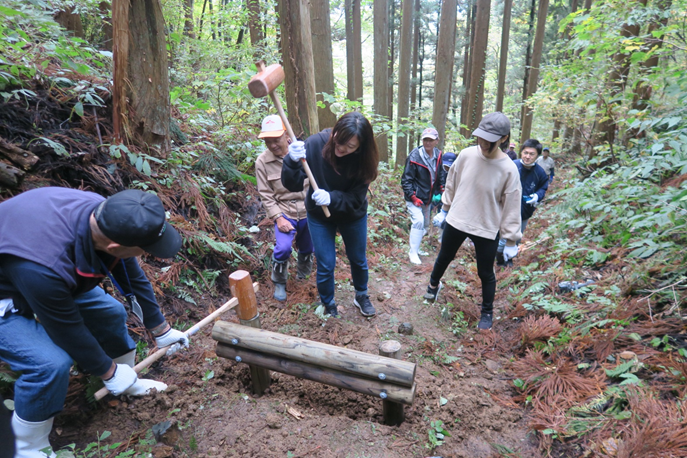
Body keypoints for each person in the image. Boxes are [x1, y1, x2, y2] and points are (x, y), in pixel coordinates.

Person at [0, 188, 188, 458]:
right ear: (114, 246)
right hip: (10, 290)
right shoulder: (45, 265)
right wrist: (107, 371)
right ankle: (27, 446)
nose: (150, 254)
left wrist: (161, 330)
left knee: (110, 312)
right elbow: (66, 328)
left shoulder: (109, 216)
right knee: (49, 364)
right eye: (146, 249)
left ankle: (126, 382)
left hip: (46, 276)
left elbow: (131, 273)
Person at [425, 112, 522, 330]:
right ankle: (432, 285)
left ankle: (486, 312)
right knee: (444, 257)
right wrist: (445, 208)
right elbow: (452, 181)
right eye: (481, 137)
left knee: (485, 272)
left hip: (486, 227)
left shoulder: (508, 168)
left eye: (491, 139)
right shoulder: (467, 155)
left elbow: (512, 205)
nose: (484, 142)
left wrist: (511, 239)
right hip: (458, 218)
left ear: (504, 138)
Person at [281, 112, 379, 318]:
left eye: (350, 147)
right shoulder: (316, 144)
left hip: (352, 215)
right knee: (326, 262)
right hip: (319, 216)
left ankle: (361, 295)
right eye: (339, 142)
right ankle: (328, 303)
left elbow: (356, 199)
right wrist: (290, 160)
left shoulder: (365, 161)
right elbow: (292, 184)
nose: (341, 149)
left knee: (358, 258)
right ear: (334, 133)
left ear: (361, 147)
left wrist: (332, 198)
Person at [255, 115, 313, 302]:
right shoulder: (262, 162)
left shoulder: (304, 152)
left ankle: (304, 275)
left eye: (276, 140)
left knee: (307, 247)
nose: (272, 145)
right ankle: (279, 280)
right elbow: (265, 194)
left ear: (286, 134)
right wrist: (278, 217)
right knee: (283, 248)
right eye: (267, 141)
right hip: (284, 211)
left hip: (308, 210)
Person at [496, 139, 549, 266]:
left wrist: (537, 196)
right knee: (501, 236)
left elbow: (543, 187)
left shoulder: (540, 173)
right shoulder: (512, 165)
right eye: (525, 153)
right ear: (521, 152)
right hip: (505, 209)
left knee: (517, 236)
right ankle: (498, 259)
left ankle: (509, 259)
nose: (528, 156)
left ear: (537, 155)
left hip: (524, 211)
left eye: (532, 154)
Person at [401, 128, 446, 265]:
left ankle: (417, 247)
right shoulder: (414, 157)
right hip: (415, 198)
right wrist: (412, 196)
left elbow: (440, 175)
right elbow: (406, 180)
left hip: (427, 198)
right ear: (422, 141)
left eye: (431, 140)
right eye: (426, 139)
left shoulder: (438, 155)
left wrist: (442, 190)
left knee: (425, 226)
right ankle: (412, 253)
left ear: (436, 141)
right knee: (418, 221)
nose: (428, 143)